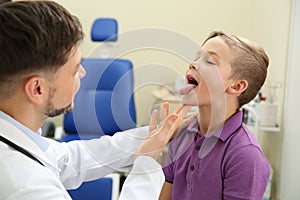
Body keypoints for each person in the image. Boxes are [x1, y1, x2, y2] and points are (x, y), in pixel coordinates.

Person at [0, 1, 193, 199]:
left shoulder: (15, 139)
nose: (83, 73)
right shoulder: (25, 188)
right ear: (37, 89)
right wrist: (147, 164)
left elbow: (74, 158)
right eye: (75, 69)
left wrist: (155, 135)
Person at [159, 31, 271, 200]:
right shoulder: (182, 134)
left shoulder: (245, 156)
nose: (193, 64)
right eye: (197, 57)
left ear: (236, 86)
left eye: (209, 61)